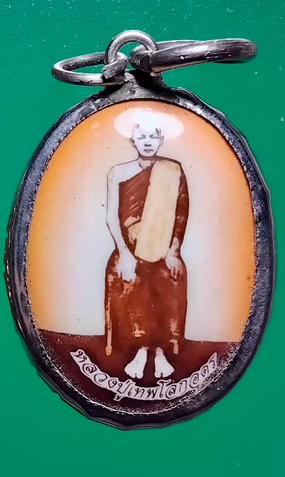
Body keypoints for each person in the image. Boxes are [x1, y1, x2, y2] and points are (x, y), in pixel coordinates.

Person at [104, 124, 189, 379]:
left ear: (161, 139)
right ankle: (140, 351)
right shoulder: (118, 172)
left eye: (153, 136)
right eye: (141, 137)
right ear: (133, 141)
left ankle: (160, 351)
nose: (148, 141)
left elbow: (181, 214)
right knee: (131, 278)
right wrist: (124, 253)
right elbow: (111, 217)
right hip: (128, 248)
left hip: (163, 248)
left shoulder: (172, 170)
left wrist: (173, 252)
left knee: (169, 276)